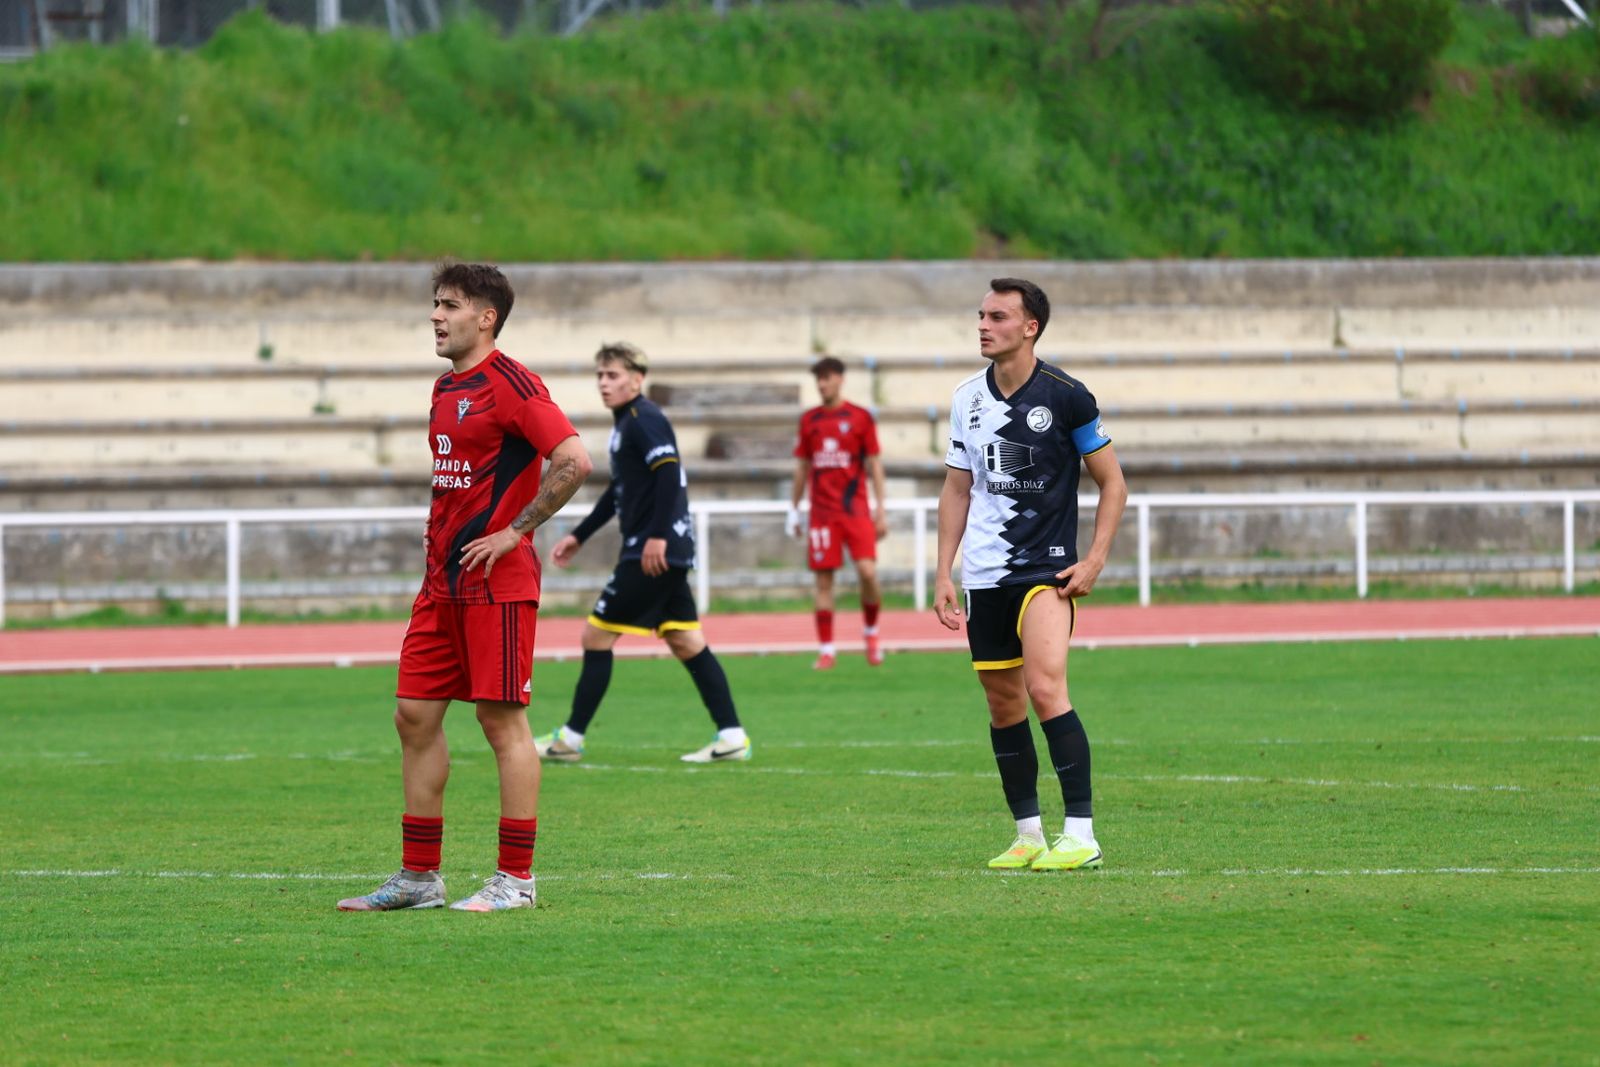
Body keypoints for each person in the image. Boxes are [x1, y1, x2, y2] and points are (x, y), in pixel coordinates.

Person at [338, 262, 592, 913]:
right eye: (434, 303)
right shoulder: (446, 389)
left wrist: (517, 530)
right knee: (413, 715)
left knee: (501, 721)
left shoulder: (514, 385)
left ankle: (517, 880)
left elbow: (574, 459)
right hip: (441, 586)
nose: (435, 315)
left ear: (486, 316)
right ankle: (420, 876)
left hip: (496, 585)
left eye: (448, 304)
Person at [933, 278, 1128, 873]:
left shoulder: (1067, 396)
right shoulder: (966, 397)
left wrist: (1093, 559)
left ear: (1030, 327)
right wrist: (944, 571)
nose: (983, 325)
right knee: (1002, 705)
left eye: (997, 316)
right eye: (981, 315)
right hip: (985, 577)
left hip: (1045, 572)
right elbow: (957, 486)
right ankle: (1027, 834)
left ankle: (1082, 834)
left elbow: (1113, 483)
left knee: (1045, 690)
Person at [534, 342, 751, 765]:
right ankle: (732, 736)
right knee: (686, 641)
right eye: (600, 375)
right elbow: (620, 490)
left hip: (651, 552)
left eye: (612, 375)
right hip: (664, 550)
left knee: (595, 635)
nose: (604, 383)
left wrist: (656, 537)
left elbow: (669, 473)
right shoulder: (626, 426)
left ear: (637, 379)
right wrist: (581, 535)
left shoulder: (643, 419)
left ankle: (570, 739)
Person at [784, 356, 889, 670]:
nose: (821, 383)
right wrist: (793, 508)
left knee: (868, 573)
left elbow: (874, 464)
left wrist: (881, 508)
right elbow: (802, 466)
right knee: (824, 583)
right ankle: (827, 649)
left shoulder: (860, 417)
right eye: (818, 378)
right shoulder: (809, 421)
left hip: (855, 510)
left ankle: (871, 632)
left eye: (826, 378)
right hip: (822, 514)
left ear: (840, 379)